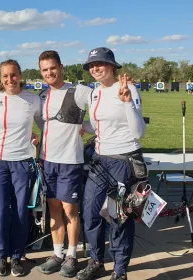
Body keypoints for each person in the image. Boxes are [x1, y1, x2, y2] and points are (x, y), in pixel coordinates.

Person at [76, 47, 146, 280]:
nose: (95, 68)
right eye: (91, 65)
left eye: (100, 64)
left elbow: (139, 131)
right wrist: (82, 127)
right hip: (99, 161)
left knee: (119, 216)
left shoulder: (127, 88)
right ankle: (96, 261)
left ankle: (119, 269)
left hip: (123, 162)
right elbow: (99, 125)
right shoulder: (94, 93)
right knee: (91, 213)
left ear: (112, 66)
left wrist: (127, 102)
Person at [36, 50, 93, 278]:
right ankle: (57, 253)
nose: (49, 73)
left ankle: (72, 254)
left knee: (70, 210)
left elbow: (103, 108)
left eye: (53, 68)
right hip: (48, 161)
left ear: (61, 67)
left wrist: (88, 127)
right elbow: (41, 123)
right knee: (54, 209)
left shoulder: (78, 91)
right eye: (45, 69)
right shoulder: (41, 96)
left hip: (70, 161)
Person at [0, 59, 42, 277]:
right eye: (5, 76)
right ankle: (1, 256)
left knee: (21, 211)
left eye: (14, 75)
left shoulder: (33, 99)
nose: (10, 80)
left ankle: (17, 255)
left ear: (20, 75)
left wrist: (37, 140)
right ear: (0, 78)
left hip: (22, 162)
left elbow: (44, 124)